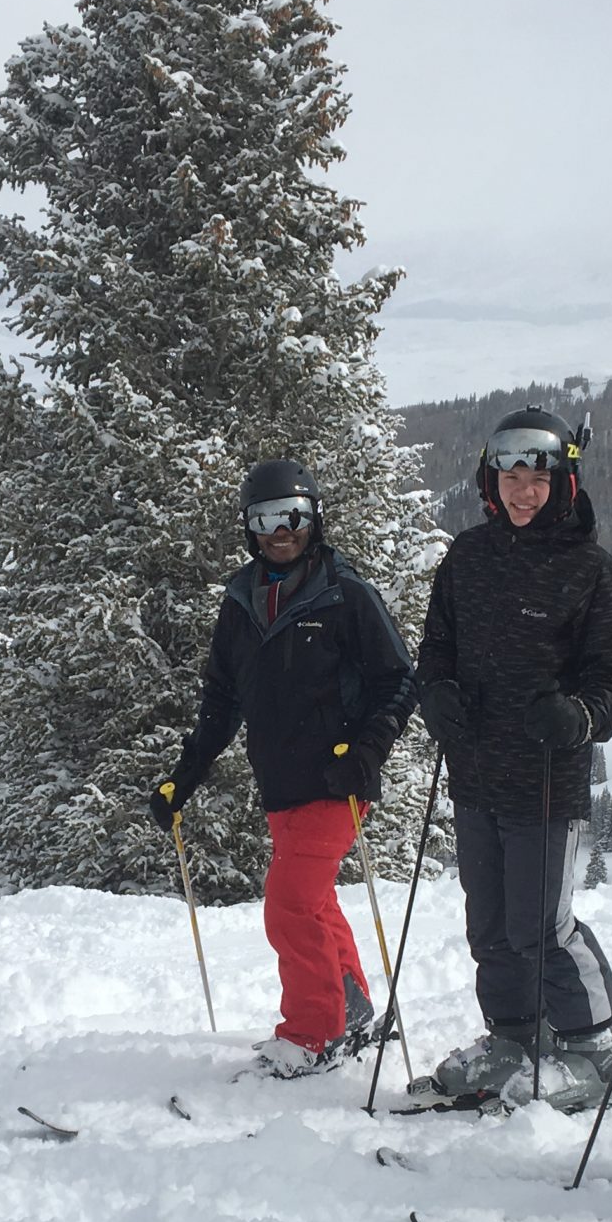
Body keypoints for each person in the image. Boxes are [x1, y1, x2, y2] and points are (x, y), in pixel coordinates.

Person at [151, 460, 418, 1076]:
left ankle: (313, 1032)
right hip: (282, 785)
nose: (280, 530)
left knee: (290, 903)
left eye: (292, 515)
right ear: (249, 527)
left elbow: (400, 679)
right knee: (314, 900)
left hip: (336, 780)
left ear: (313, 518)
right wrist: (183, 778)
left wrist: (369, 748)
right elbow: (221, 700)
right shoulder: (241, 604)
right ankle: (348, 1009)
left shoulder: (346, 595)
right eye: (265, 518)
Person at [415, 407, 612, 1111]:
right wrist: (436, 693)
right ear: (491, 479)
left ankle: (595, 1047)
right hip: (476, 774)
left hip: (546, 779)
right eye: (510, 477)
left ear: (563, 482)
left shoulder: (591, 571)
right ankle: (513, 1037)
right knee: (490, 927)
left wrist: (580, 716)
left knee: (542, 926)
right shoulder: (467, 559)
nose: (522, 492)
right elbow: (436, 650)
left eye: (537, 480)